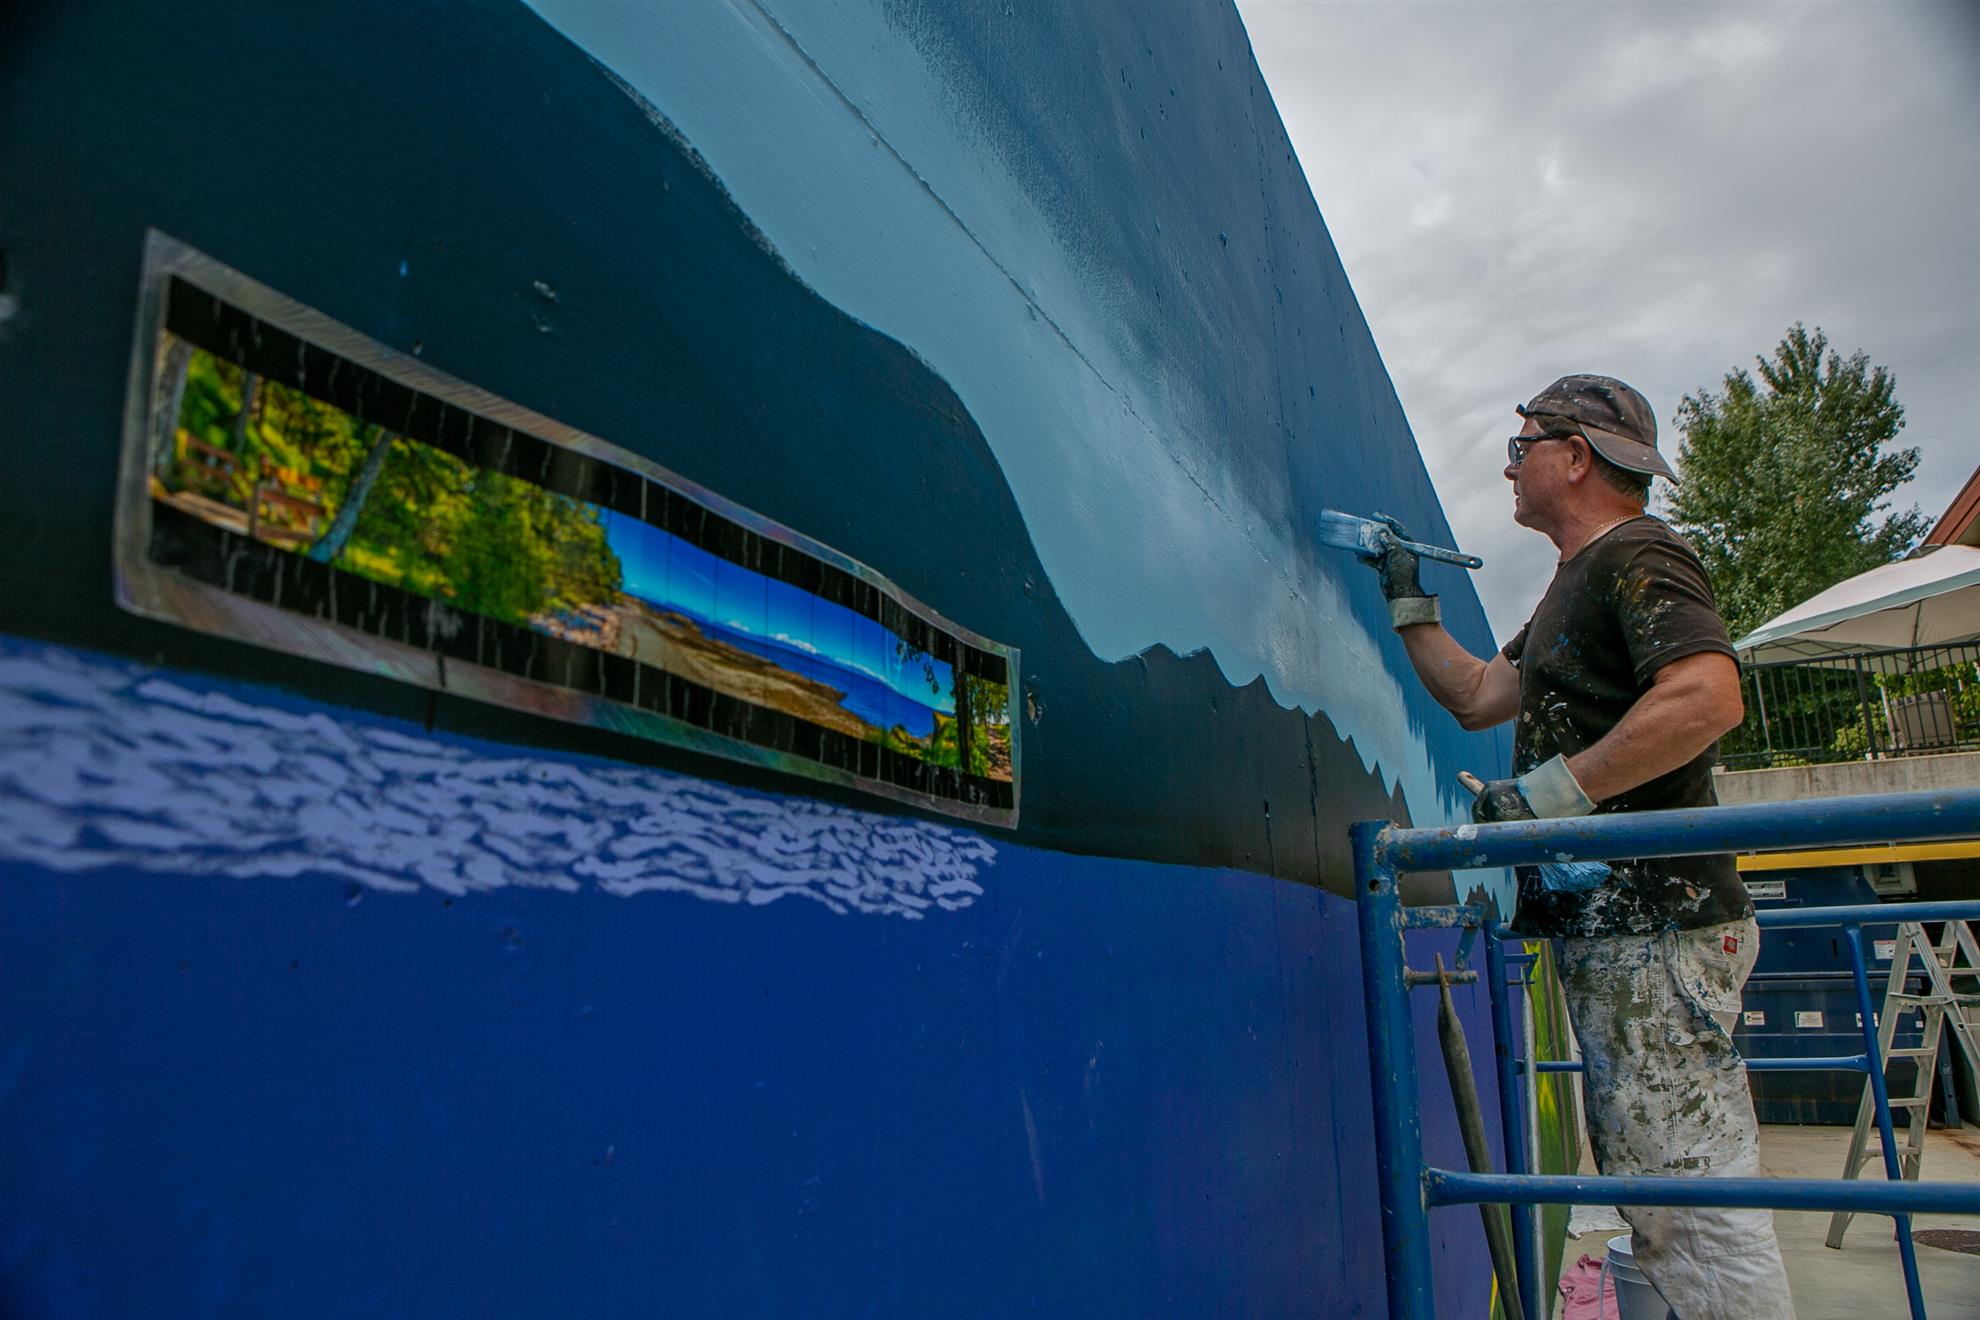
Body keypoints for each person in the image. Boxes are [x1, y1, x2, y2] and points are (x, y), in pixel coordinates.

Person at [1365, 374, 1795, 1319]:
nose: (1510, 466)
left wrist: (1552, 796)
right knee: (1658, 1185)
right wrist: (1407, 601)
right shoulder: (1575, 584)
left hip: (1662, 926)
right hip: (1629, 934)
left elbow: (1707, 696)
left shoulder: (1639, 554)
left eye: (1523, 447)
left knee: (1694, 1194)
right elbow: (1480, 693)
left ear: (1577, 456)